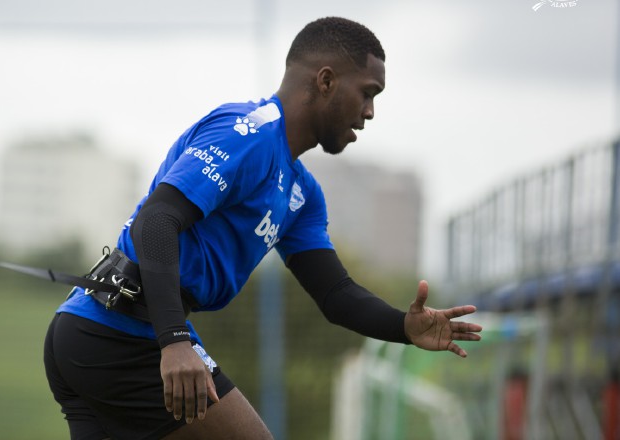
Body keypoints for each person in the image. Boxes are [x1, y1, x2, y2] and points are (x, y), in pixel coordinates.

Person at [43, 16, 483, 440]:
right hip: (117, 330)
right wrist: (174, 341)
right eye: (367, 93)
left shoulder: (303, 193)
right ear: (326, 81)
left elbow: (335, 294)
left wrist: (402, 327)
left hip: (105, 332)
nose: (369, 112)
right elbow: (156, 221)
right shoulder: (247, 134)